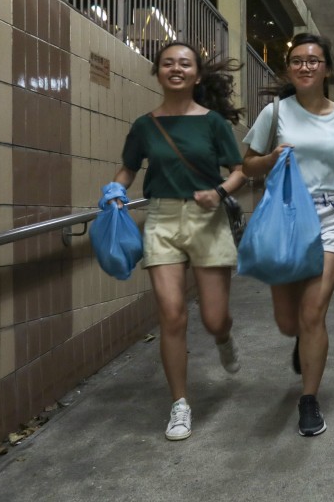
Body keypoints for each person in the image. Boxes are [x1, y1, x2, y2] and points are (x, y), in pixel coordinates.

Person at [241, 32, 334, 437]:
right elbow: (247, 163)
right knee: (290, 323)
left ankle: (309, 399)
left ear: (327, 69)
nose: (306, 66)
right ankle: (301, 342)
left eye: (314, 60)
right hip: (284, 216)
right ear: (290, 68)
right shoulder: (275, 113)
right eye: (298, 60)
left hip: (331, 215)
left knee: (312, 313)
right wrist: (269, 158)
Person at [110, 41, 247, 441]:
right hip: (162, 219)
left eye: (184, 64)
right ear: (157, 72)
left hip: (208, 220)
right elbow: (127, 170)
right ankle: (180, 405)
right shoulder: (144, 126)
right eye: (168, 63)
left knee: (213, 318)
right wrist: (114, 190)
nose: (176, 69)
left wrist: (219, 192)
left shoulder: (213, 123)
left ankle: (223, 337)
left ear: (197, 75)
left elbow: (238, 171)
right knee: (171, 314)